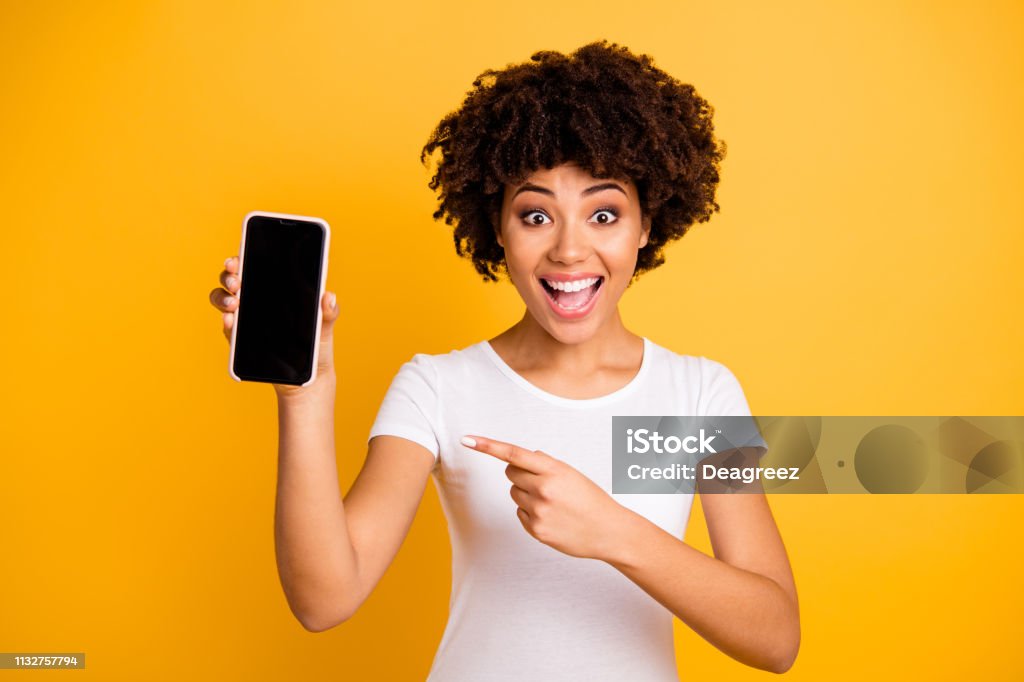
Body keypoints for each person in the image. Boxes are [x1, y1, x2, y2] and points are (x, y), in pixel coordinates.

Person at [208, 40, 799, 680]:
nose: (570, 250)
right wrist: (304, 396)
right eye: (536, 214)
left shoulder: (701, 396)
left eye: (604, 213)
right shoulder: (437, 387)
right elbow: (324, 599)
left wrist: (613, 532)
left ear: (646, 225)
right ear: (497, 227)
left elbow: (775, 639)